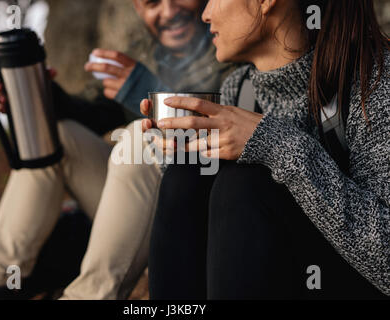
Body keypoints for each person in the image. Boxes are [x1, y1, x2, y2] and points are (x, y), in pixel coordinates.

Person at [0, 0, 233, 300]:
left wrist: (147, 91)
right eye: (152, 2)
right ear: (137, 8)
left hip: (198, 212)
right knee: (57, 135)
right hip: (137, 209)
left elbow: (229, 126)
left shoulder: (229, 39)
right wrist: (42, 98)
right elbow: (96, 112)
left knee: (141, 139)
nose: (168, 12)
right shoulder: (144, 49)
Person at [143, 0, 389, 299]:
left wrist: (276, 144)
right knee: (187, 175)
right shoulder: (240, 88)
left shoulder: (374, 81)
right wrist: (180, 151)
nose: (204, 13)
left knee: (243, 184)